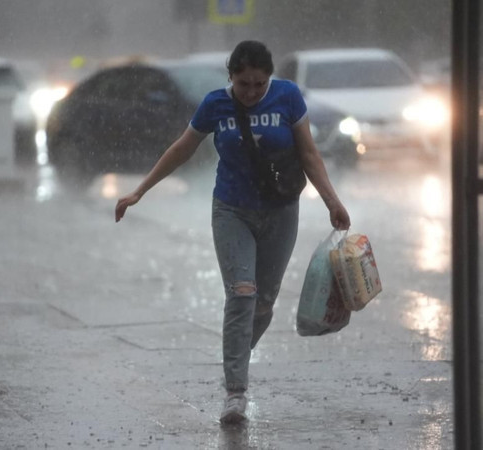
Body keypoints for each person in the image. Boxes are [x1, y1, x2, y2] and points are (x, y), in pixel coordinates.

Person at [115, 40, 350, 425]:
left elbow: (309, 154)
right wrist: (139, 190)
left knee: (264, 303)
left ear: (270, 78)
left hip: (280, 212)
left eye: (260, 84)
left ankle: (234, 351)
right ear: (231, 78)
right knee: (242, 293)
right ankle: (235, 391)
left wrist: (332, 201)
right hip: (231, 211)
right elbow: (181, 149)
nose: (252, 92)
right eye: (244, 84)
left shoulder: (288, 98)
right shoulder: (215, 104)